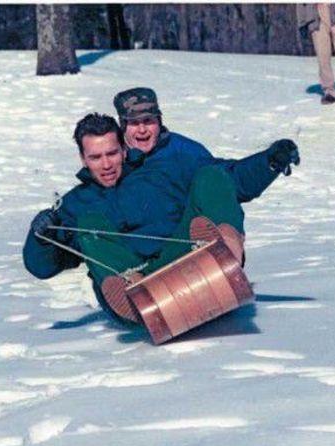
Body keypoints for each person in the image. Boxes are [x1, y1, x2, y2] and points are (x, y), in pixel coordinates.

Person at [23, 92, 299, 325]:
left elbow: (231, 179)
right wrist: (40, 237)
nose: (106, 164)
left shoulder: (163, 167)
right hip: (133, 280)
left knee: (212, 176)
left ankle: (224, 251)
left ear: (123, 148)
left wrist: (269, 162)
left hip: (179, 257)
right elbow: (43, 267)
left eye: (111, 153)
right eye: (95, 157)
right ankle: (133, 296)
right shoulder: (77, 203)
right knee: (90, 224)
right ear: (83, 159)